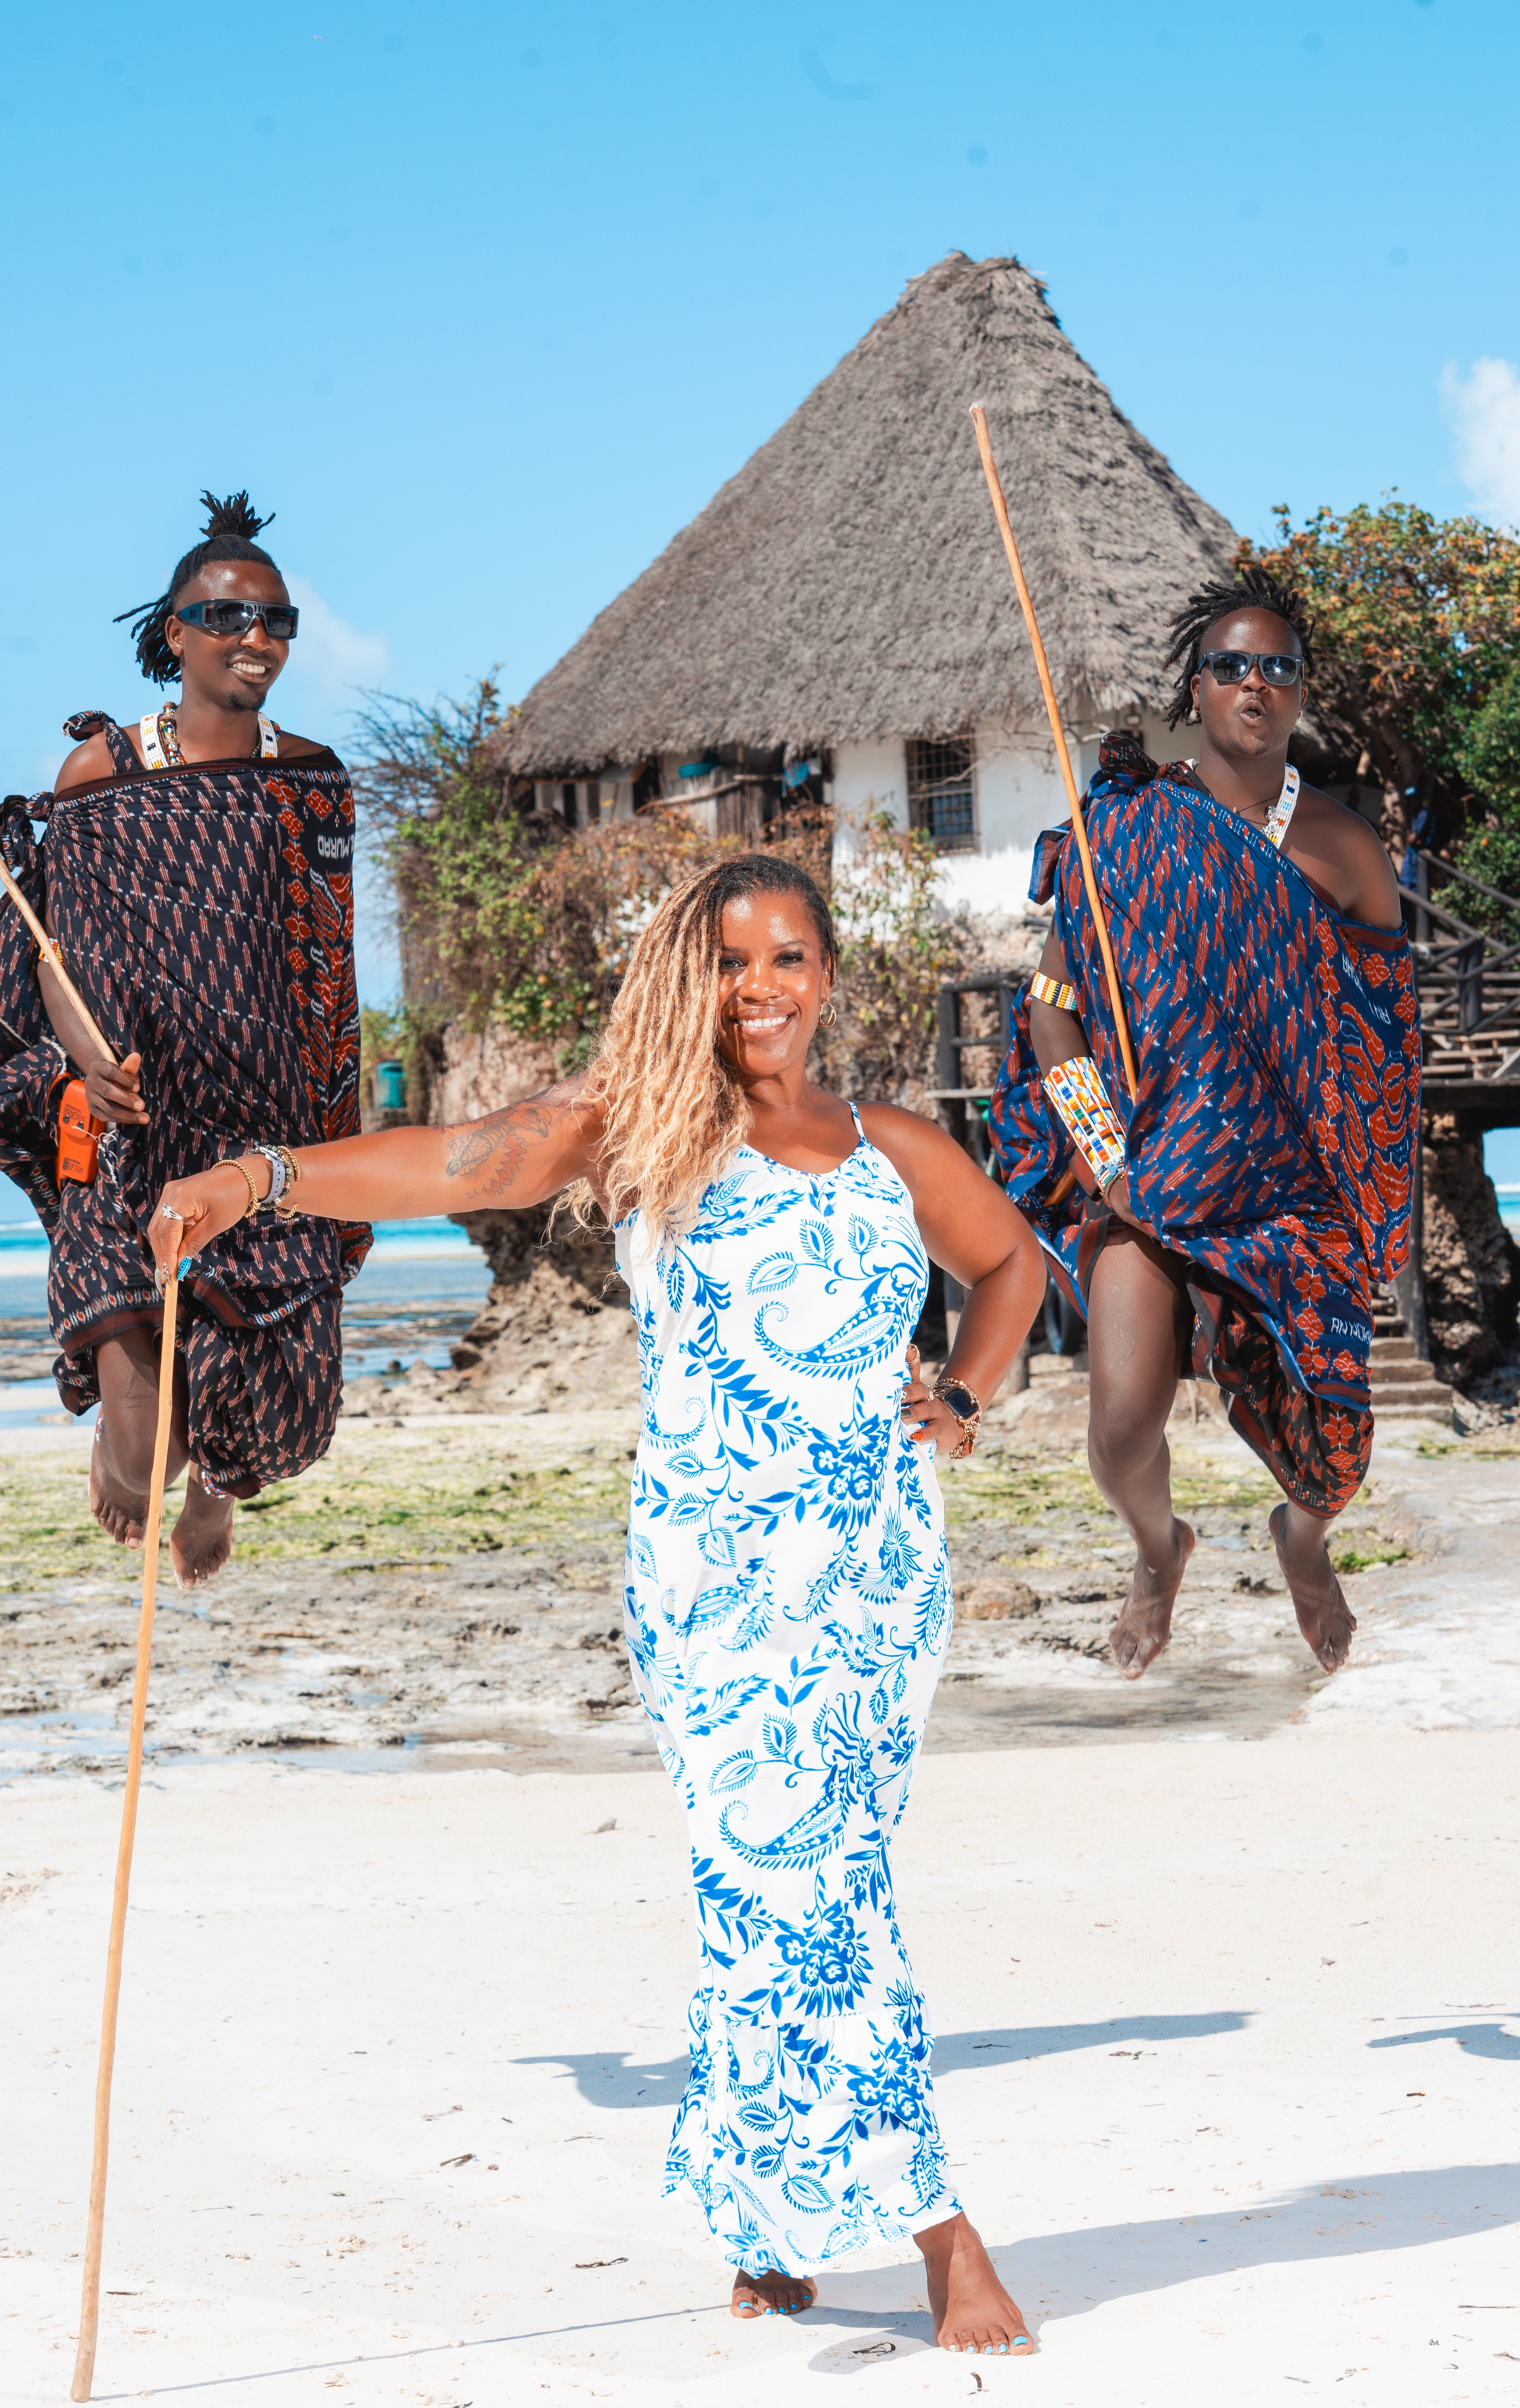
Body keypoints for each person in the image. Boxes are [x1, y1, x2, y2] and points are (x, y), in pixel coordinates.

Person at [150, 854, 1046, 2356]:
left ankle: (761, 2225)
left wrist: (963, 1390)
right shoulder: (646, 1130)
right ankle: (940, 2232)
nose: (760, 988)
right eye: (730, 961)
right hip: (714, 1589)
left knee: (797, 1891)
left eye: (788, 959)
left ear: (830, 976)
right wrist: (264, 1179)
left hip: (879, 1583)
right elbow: (463, 1163)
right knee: (800, 1892)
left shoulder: (892, 1146)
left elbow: (1017, 1261)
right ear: (686, 978)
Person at [991, 567, 1419, 1680]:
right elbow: (1052, 1011)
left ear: (1300, 696)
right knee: (1122, 1427)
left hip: (1291, 1192)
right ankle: (1158, 1549)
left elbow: (1381, 1049)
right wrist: (1104, 1153)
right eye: (1231, 664)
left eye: (1279, 668)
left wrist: (1368, 1193)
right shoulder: (1123, 832)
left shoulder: (1345, 851)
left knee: (1332, 1462)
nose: (1256, 684)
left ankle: (1303, 1544)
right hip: (1155, 1177)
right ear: (1195, 686)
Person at [4, 491, 368, 1585]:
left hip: (267, 1117)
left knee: (288, 1415)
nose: (254, 640)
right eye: (226, 618)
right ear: (175, 632)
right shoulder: (101, 777)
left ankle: (217, 1496)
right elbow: (61, 959)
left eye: (275, 621)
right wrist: (83, 1061)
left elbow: (327, 974)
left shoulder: (311, 777)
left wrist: (336, 1132)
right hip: (137, 1114)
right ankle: (140, 1410)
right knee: (137, 1454)